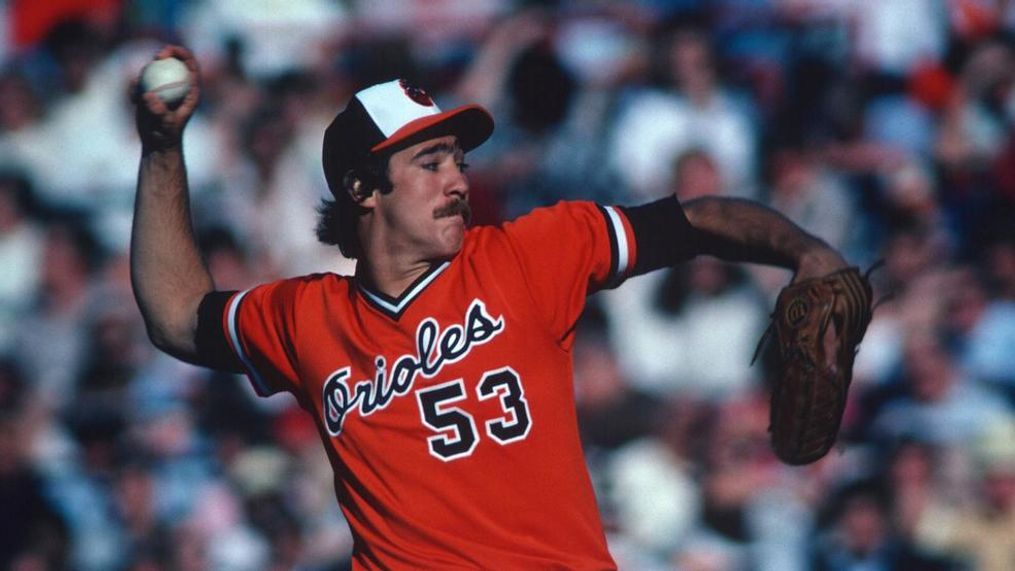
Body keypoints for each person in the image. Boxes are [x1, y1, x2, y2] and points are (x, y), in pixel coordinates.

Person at [131, 45, 851, 569]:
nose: (457, 181)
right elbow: (175, 314)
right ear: (361, 188)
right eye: (431, 162)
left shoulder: (529, 253)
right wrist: (163, 149)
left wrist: (804, 251)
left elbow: (694, 219)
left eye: (459, 161)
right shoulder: (303, 316)